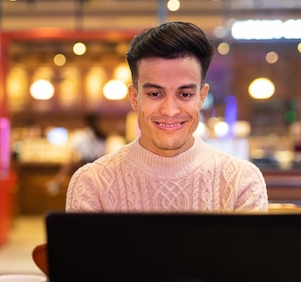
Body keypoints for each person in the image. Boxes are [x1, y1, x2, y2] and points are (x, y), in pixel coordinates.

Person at [66, 21, 268, 212]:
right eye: (155, 94)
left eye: (185, 94)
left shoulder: (242, 181)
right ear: (135, 98)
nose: (170, 111)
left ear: (201, 97)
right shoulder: (92, 183)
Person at [46, 113, 108, 195]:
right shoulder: (102, 137)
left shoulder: (80, 136)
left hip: (82, 168)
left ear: (85, 122)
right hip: (99, 169)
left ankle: (58, 182)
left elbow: (72, 156)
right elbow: (104, 154)